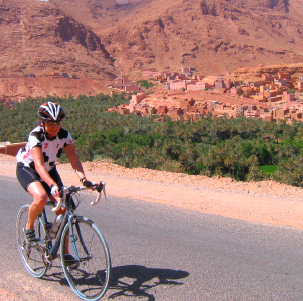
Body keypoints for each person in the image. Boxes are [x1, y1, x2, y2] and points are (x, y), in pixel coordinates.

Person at [16, 101, 90, 255]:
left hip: (49, 170)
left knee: (64, 211)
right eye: (50, 123)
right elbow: (38, 166)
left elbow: (74, 161)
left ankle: (64, 254)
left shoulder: (64, 135)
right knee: (41, 196)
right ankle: (29, 229)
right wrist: (52, 185)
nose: (55, 127)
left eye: (58, 123)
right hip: (28, 169)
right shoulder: (36, 135)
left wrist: (84, 180)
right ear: (42, 123)